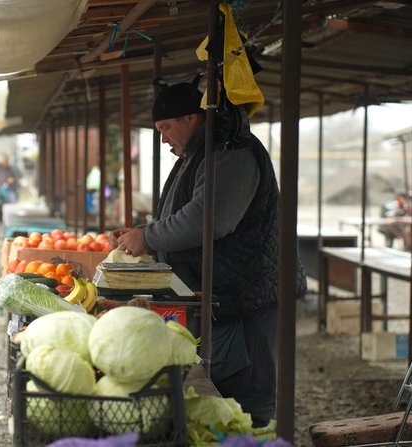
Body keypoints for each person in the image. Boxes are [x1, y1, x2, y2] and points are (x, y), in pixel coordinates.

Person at [108, 81, 298, 427]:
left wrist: (149, 236)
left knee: (249, 400)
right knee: (222, 392)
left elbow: (208, 218)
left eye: (166, 127)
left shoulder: (232, 153)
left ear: (191, 119)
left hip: (246, 296)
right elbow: (183, 210)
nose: (163, 138)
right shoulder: (201, 153)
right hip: (224, 296)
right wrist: (144, 232)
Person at [0, 153, 20, 238]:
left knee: (7, 216)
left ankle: (5, 234)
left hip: (8, 196)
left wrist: (12, 181)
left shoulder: (11, 168)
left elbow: (16, 179)